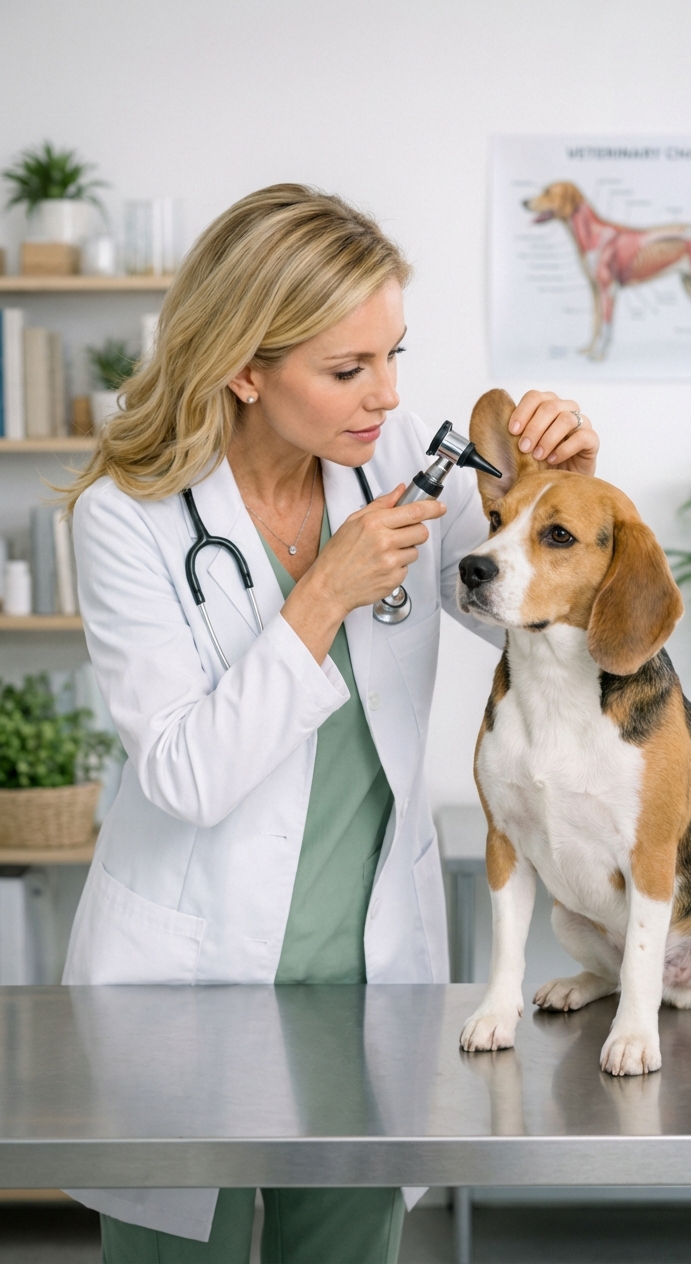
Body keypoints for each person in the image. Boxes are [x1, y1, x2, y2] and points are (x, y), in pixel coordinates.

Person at [62, 184, 599, 1264]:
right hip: (185, 988)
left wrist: (556, 503)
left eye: (394, 354)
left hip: (365, 987)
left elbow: (528, 624)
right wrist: (320, 598)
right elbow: (184, 773)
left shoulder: (394, 451)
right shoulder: (124, 516)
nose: (388, 395)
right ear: (243, 367)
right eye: (348, 369)